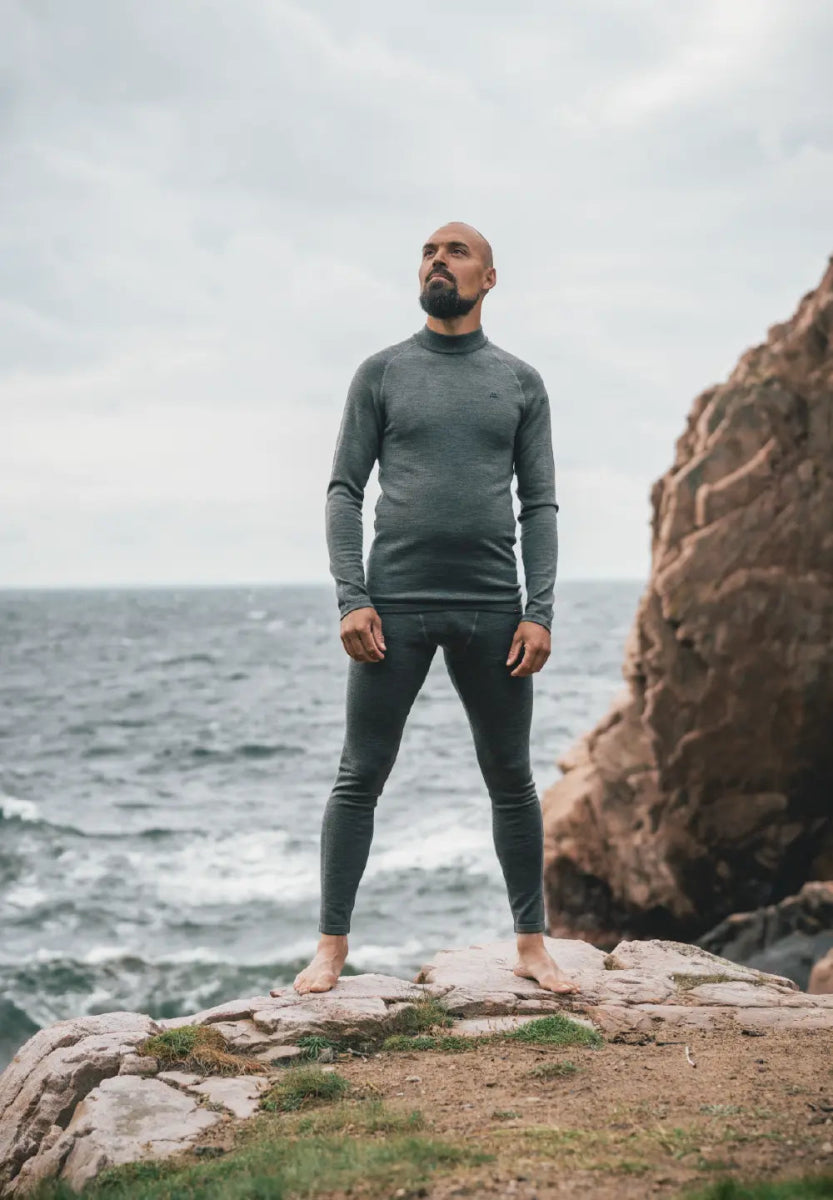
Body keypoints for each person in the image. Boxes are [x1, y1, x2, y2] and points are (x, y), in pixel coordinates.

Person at [272, 221, 580, 998]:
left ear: (488, 278)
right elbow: (344, 490)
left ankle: (531, 946)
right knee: (359, 775)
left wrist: (537, 610)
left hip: (491, 607)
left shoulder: (519, 382)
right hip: (394, 608)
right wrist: (352, 596)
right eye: (427, 251)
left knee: (510, 778)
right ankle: (331, 947)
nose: (437, 260)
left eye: (455, 251)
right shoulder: (381, 373)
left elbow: (538, 504)